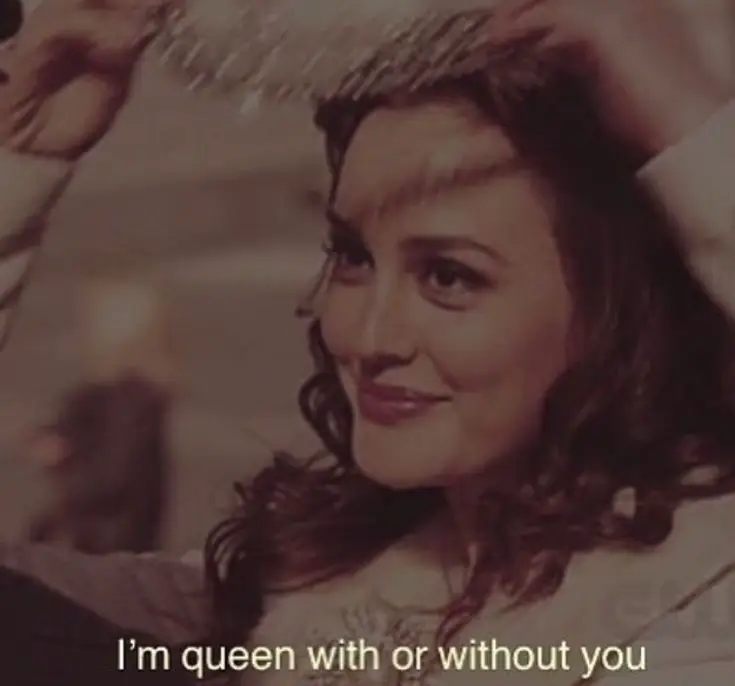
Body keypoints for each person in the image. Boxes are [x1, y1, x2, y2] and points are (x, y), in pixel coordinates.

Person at [0, 1, 734, 685]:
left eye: (448, 276)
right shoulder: (294, 593)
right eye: (352, 257)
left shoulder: (692, 611)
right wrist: (22, 159)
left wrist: (683, 116)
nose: (367, 335)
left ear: (620, 308)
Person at [26, 279, 173, 553]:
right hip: (113, 536)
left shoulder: (131, 402)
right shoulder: (124, 397)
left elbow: (110, 479)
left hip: (105, 542)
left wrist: (60, 458)